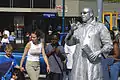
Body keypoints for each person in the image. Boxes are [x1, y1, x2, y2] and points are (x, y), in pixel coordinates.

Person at [65, 8, 113, 80]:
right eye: (81, 13)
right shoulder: (78, 28)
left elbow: (109, 44)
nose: (82, 15)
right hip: (79, 62)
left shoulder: (100, 27)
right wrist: (71, 31)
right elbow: (69, 43)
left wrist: (98, 52)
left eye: (85, 13)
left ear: (91, 14)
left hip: (92, 62)